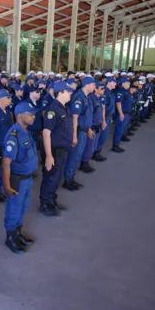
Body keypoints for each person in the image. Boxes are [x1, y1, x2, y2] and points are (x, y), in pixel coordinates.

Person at [2, 101, 38, 254]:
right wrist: (7, 186)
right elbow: (6, 164)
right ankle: (10, 238)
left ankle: (18, 233)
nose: (34, 117)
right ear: (19, 116)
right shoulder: (13, 135)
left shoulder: (26, 131)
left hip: (28, 178)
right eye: (30, 114)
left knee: (23, 208)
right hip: (18, 180)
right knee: (14, 209)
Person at [39, 82, 73, 216]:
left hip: (63, 149)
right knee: (50, 177)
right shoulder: (52, 110)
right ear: (60, 93)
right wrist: (48, 155)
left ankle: (51, 200)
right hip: (54, 150)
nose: (71, 93)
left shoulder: (64, 107)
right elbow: (46, 133)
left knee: (57, 178)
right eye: (68, 91)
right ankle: (44, 204)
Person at [62, 77, 95, 192]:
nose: (94, 87)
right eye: (93, 84)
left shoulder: (86, 97)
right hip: (79, 131)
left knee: (77, 155)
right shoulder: (79, 97)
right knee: (74, 156)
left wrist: (89, 128)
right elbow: (74, 118)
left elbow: (87, 115)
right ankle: (68, 180)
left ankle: (71, 177)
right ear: (87, 85)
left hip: (84, 130)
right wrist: (74, 136)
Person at [80, 81, 105, 173]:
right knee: (89, 146)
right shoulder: (91, 99)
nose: (104, 90)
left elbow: (101, 110)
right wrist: (89, 128)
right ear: (96, 89)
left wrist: (103, 121)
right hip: (92, 126)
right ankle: (84, 163)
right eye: (102, 88)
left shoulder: (99, 98)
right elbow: (89, 115)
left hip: (97, 124)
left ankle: (86, 161)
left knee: (93, 145)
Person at [93, 76, 116, 161]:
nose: (115, 84)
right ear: (110, 82)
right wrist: (103, 120)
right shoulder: (105, 91)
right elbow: (103, 107)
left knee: (104, 136)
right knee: (102, 136)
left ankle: (97, 151)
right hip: (105, 117)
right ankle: (96, 153)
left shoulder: (110, 91)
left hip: (109, 117)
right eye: (114, 82)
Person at [111, 78, 132, 153]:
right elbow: (118, 103)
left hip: (126, 113)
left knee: (122, 129)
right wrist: (121, 113)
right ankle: (115, 146)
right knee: (119, 129)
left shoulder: (126, 91)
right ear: (123, 83)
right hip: (123, 113)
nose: (129, 84)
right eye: (128, 82)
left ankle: (118, 142)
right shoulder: (121, 91)